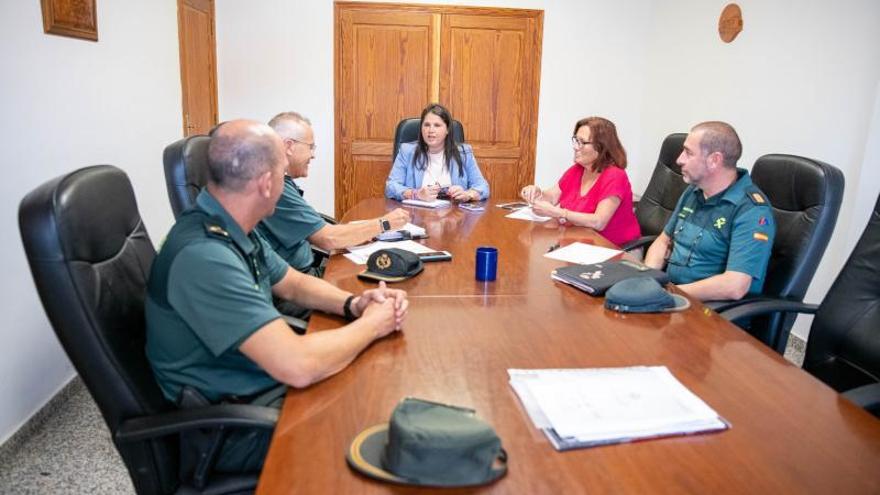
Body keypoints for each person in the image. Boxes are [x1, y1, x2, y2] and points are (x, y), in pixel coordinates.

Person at [145, 119, 409, 474]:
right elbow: (297, 366)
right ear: (267, 183)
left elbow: (293, 283)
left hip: (259, 385)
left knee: (373, 387)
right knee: (373, 426)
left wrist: (352, 305)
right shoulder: (204, 255)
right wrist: (374, 324)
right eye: (283, 173)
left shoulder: (232, 224)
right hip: (231, 430)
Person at [258, 111, 410, 277]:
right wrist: (385, 223)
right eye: (311, 147)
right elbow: (329, 238)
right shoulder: (274, 185)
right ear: (288, 146)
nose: (313, 155)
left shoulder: (276, 179)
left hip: (309, 267)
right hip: (302, 278)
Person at [644, 121, 775, 301]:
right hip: (670, 293)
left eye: (688, 153)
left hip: (709, 310)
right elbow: (663, 240)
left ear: (714, 160)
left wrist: (670, 294)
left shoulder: (751, 210)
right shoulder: (694, 190)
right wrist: (648, 280)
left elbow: (735, 286)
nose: (679, 159)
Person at [520, 117, 640, 246]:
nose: (576, 147)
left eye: (582, 142)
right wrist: (536, 193)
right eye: (576, 141)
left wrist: (560, 213)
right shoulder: (577, 170)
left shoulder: (615, 176)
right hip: (580, 244)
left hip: (613, 249)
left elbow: (599, 222)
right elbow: (551, 198)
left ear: (601, 146)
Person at [385, 103, 489, 202]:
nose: (431, 130)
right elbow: (391, 187)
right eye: (426, 125)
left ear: (447, 129)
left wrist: (468, 194)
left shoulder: (464, 153)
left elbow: (482, 187)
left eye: (437, 125)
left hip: (453, 216)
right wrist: (416, 194)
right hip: (417, 215)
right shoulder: (407, 151)